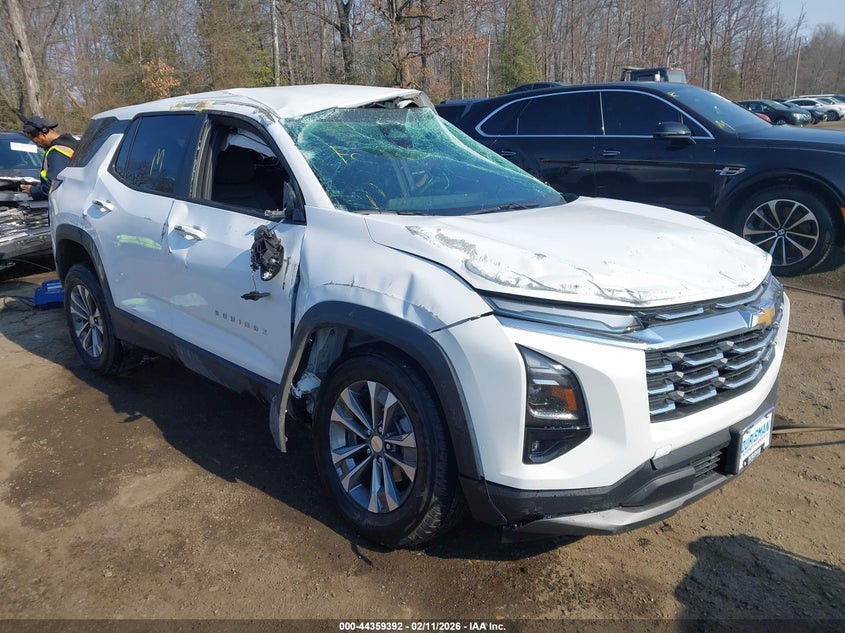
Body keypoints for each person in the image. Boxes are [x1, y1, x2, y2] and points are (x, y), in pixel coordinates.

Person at [19, 116, 77, 200]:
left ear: (43, 134)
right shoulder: (71, 143)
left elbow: (53, 186)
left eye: (35, 140)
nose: (37, 144)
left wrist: (33, 190)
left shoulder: (57, 152)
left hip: (65, 201)